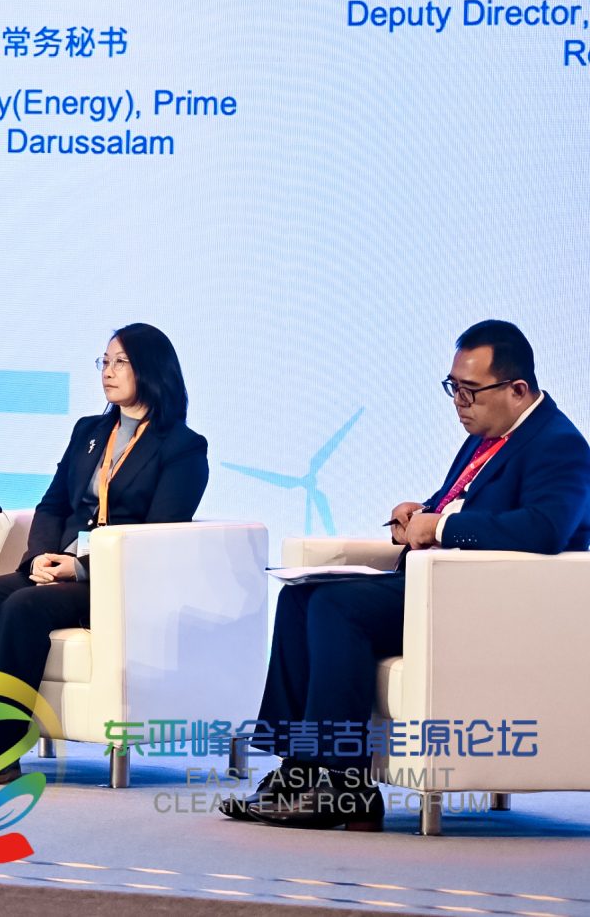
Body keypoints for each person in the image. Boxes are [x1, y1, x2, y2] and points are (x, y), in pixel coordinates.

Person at [224, 319, 590, 829]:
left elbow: (545, 529)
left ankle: (344, 785)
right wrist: (419, 516)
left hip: (488, 602)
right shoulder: (487, 436)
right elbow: (462, 505)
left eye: (470, 390)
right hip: (440, 587)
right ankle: (299, 770)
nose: (459, 402)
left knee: (336, 607)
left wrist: (440, 526)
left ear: (517, 389)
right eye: (452, 388)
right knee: (301, 598)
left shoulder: (558, 444)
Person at [0, 323, 206, 780]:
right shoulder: (90, 431)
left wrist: (79, 567)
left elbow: (157, 533)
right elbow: (53, 504)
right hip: (55, 567)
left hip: (115, 581)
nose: (108, 372)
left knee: (23, 606)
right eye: (104, 362)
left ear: (152, 370)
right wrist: (39, 556)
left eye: (121, 362)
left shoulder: (182, 447)